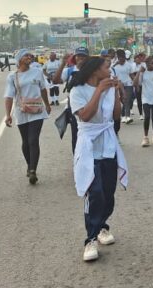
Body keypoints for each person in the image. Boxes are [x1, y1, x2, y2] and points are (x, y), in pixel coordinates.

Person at [70, 56, 128, 262]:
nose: (109, 70)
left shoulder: (110, 88)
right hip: (89, 148)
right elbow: (85, 116)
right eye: (106, 67)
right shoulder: (77, 91)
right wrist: (99, 91)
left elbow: (115, 116)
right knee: (95, 193)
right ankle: (90, 238)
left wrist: (118, 93)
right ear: (95, 71)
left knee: (108, 193)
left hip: (108, 146)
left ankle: (102, 226)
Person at [4, 49, 51, 185]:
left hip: (37, 111)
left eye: (30, 55)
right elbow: (8, 96)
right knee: (25, 140)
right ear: (19, 60)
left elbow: (43, 89)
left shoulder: (37, 72)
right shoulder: (12, 76)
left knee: (33, 139)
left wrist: (47, 104)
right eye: (26, 55)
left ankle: (32, 170)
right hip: (21, 111)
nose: (29, 57)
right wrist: (8, 115)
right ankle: (29, 164)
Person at [53, 47, 90, 155]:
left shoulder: (93, 71)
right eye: (78, 56)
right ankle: (78, 160)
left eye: (83, 56)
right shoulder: (69, 70)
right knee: (76, 136)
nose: (81, 58)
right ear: (74, 58)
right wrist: (63, 63)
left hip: (91, 107)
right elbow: (55, 80)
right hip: (75, 110)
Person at [111, 50, 137, 124]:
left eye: (123, 58)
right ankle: (123, 116)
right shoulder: (114, 66)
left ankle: (128, 117)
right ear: (118, 58)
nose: (121, 59)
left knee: (127, 99)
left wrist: (135, 84)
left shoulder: (129, 65)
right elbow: (112, 74)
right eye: (120, 58)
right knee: (122, 101)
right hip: (118, 85)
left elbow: (132, 75)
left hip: (128, 84)